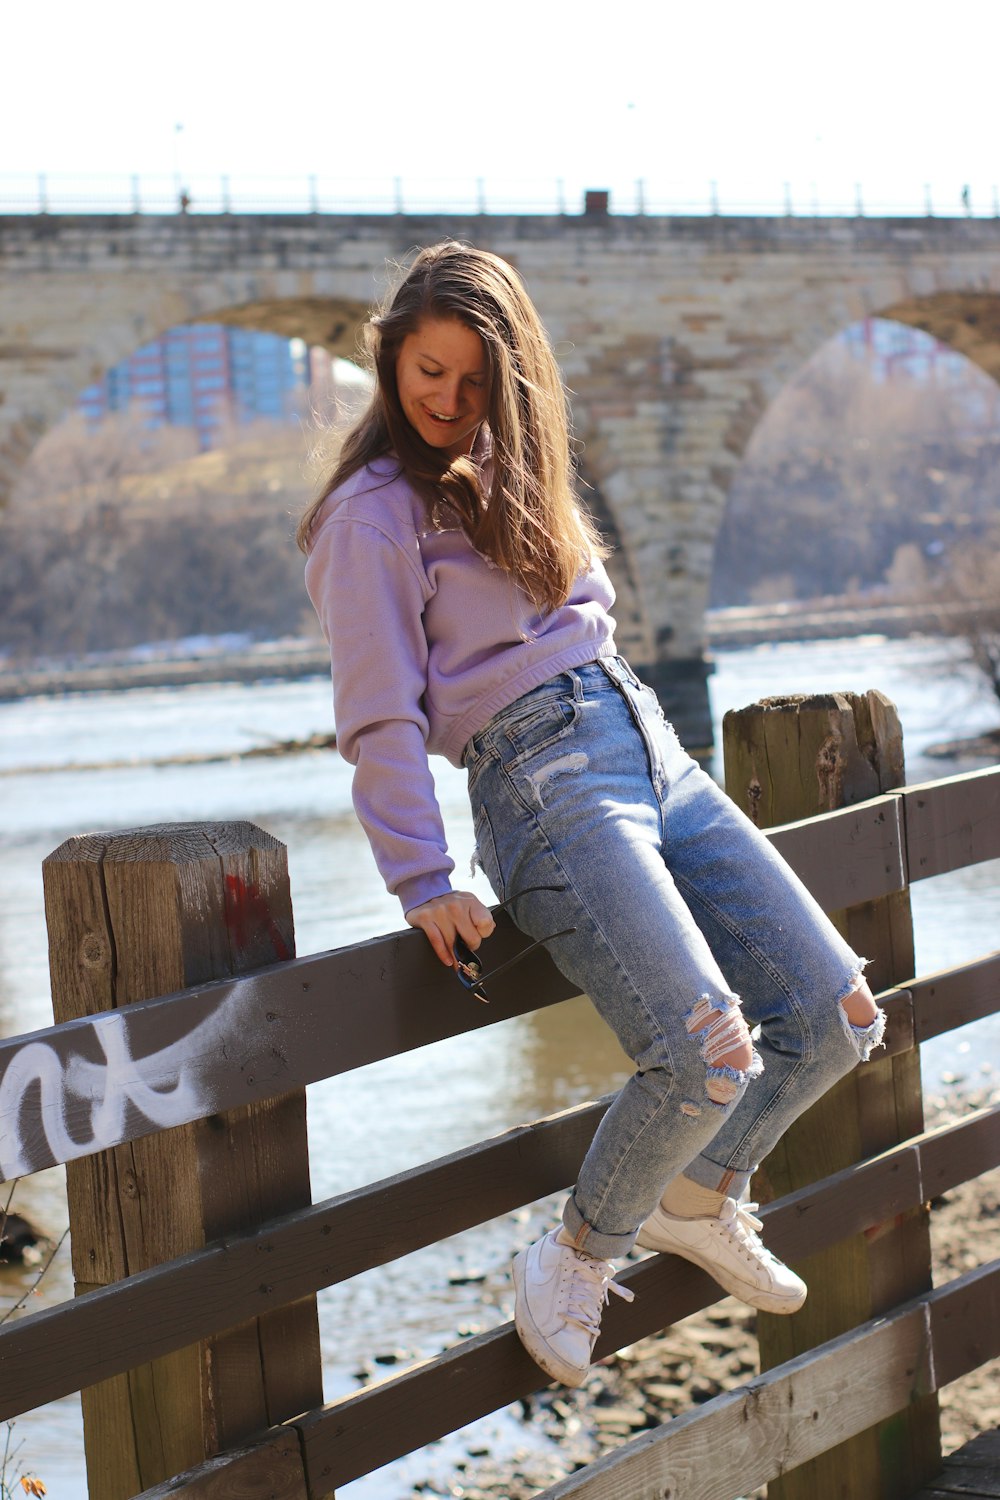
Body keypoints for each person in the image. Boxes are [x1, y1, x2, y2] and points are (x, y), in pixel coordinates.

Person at [299, 241, 886, 1389]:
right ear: (388, 359)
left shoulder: (517, 470)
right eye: (426, 371)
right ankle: (577, 1252)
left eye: (474, 380)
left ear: (510, 380)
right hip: (538, 779)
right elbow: (377, 716)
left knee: (836, 1013)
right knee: (702, 1048)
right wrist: (422, 881)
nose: (447, 401)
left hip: (650, 743)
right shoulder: (370, 517)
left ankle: (700, 1192)